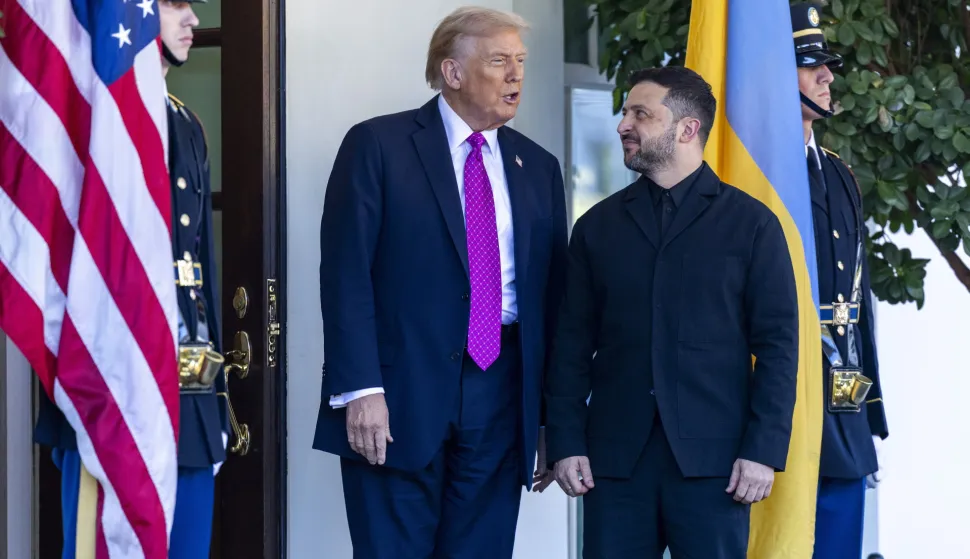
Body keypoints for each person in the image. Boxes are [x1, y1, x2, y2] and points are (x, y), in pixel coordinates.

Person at [311, 6, 568, 558]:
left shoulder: (538, 167)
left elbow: (552, 299)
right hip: (397, 395)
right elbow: (345, 274)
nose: (516, 75)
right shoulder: (378, 146)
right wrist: (361, 389)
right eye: (499, 61)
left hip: (502, 394)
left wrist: (551, 417)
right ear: (452, 73)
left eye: (520, 61)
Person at [543, 66, 800, 558]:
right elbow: (571, 344)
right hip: (613, 463)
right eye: (624, 113)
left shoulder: (752, 225)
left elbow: (779, 348)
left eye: (641, 113)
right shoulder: (597, 227)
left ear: (687, 129)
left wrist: (762, 450)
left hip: (718, 467)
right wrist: (565, 439)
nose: (623, 125)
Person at [32, 1, 231, 556]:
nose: (192, 19)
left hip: (185, 395)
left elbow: (199, 273)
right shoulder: (91, 119)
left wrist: (212, 402)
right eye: (172, 4)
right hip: (113, 388)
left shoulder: (185, 122)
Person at [790, 3, 888, 558]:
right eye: (810, 65)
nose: (828, 76)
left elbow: (855, 307)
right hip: (779, 401)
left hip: (842, 399)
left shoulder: (839, 172)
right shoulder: (755, 177)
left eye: (826, 63)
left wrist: (864, 409)